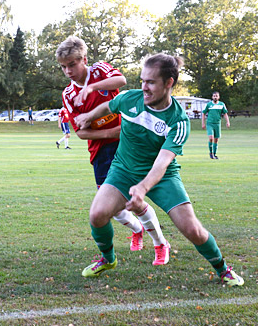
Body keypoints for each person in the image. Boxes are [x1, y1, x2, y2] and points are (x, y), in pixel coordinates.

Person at [75, 53, 244, 287]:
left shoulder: (178, 120)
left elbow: (162, 162)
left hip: (162, 178)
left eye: (151, 82)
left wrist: (142, 188)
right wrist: (88, 116)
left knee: (192, 229)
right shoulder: (129, 99)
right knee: (97, 215)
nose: (144, 87)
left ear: (169, 83)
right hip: (123, 170)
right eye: (142, 81)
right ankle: (108, 259)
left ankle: (223, 269)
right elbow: (108, 105)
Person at [56, 36, 169, 265]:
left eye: (72, 65)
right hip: (101, 152)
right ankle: (137, 230)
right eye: (63, 67)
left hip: (129, 144)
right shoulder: (68, 95)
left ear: (84, 60)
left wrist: (92, 88)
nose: (68, 71)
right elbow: (81, 132)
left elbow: (121, 79)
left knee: (134, 199)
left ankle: (160, 243)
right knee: (112, 208)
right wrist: (111, 132)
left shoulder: (99, 71)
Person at [202, 92, 230, 159]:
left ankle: (214, 154)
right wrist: (203, 123)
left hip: (217, 124)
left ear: (219, 97)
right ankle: (211, 153)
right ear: (212, 97)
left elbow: (225, 114)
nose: (215, 97)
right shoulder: (209, 104)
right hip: (209, 123)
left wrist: (228, 122)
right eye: (214, 96)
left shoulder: (221, 104)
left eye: (216, 96)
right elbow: (203, 113)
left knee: (216, 140)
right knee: (211, 138)